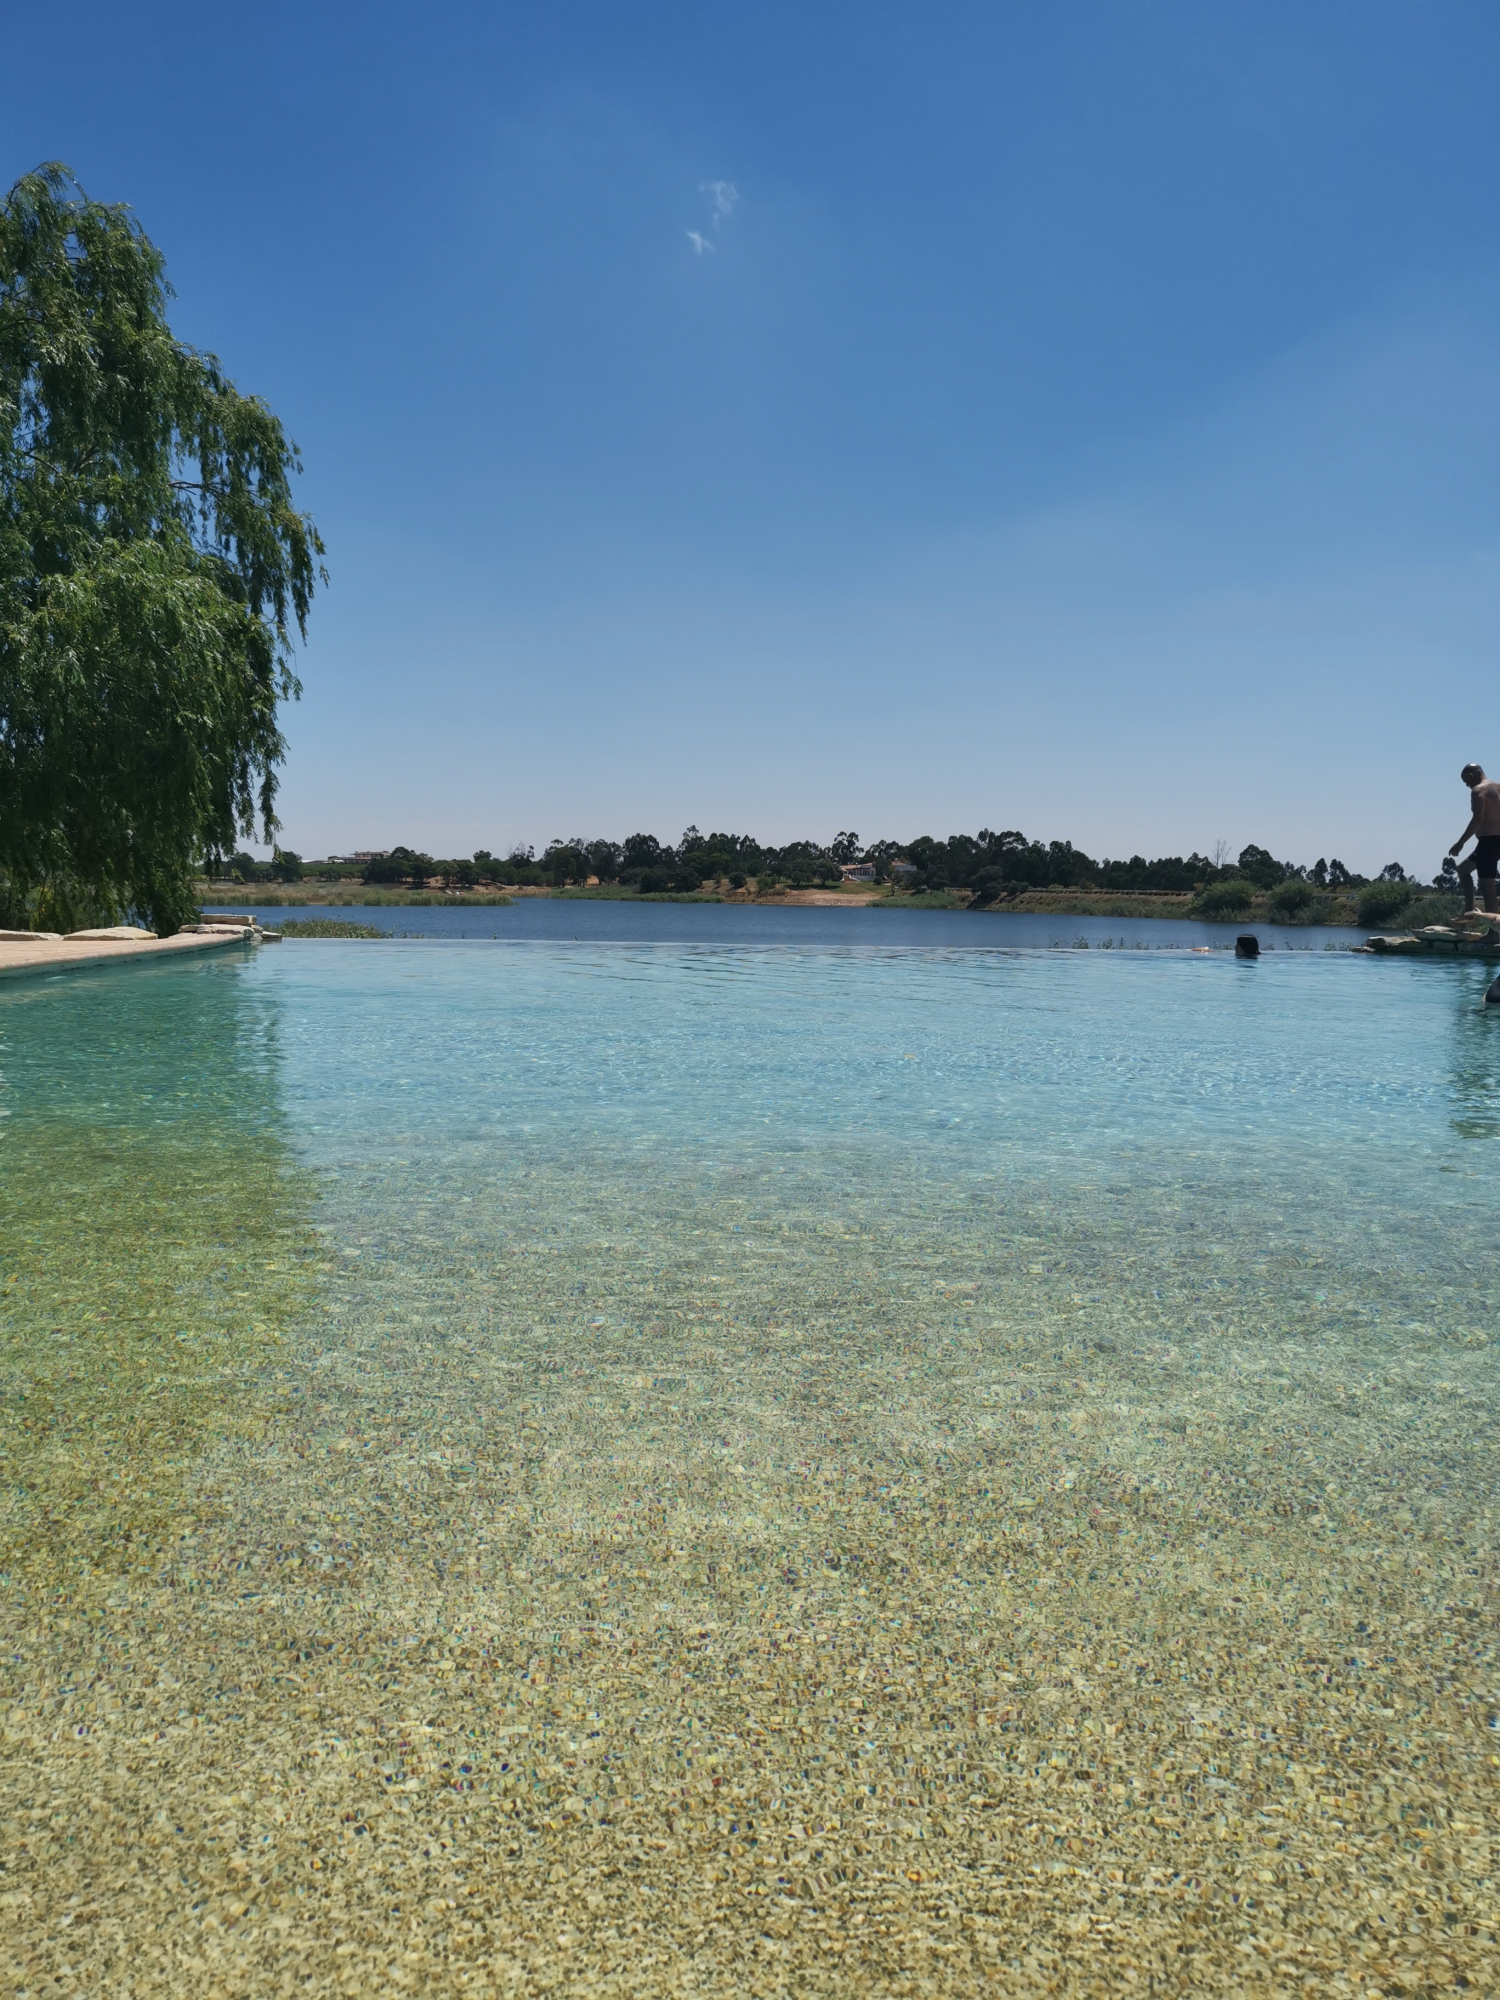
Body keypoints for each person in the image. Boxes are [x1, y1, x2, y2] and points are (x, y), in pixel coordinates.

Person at [1449, 762, 1500, 917]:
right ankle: (1469, 912)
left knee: (1487, 887)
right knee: (1463, 870)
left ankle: (1494, 933)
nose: (1467, 786)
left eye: (1466, 782)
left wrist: (1460, 843)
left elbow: (1478, 819)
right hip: (1493, 843)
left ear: (1472, 776)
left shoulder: (1478, 790)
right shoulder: (1498, 787)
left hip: (1489, 842)